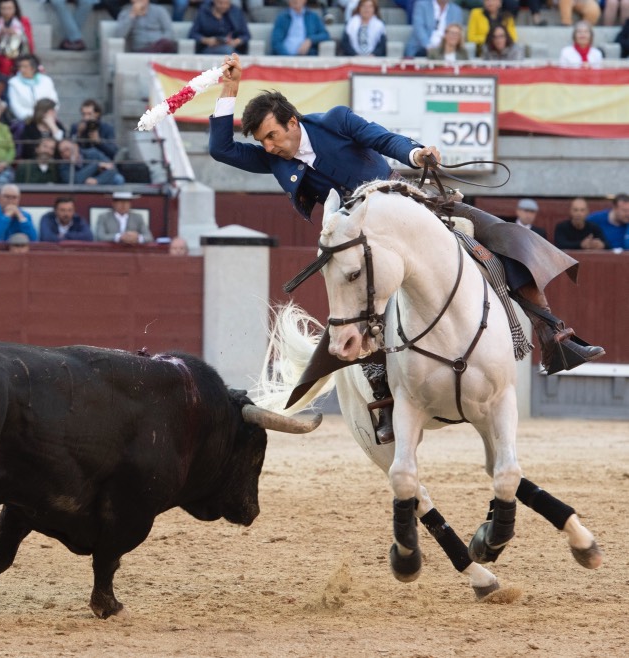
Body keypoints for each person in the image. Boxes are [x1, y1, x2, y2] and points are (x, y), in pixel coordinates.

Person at [209, 53, 603, 441]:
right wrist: (230, 88)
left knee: (502, 235)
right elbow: (221, 150)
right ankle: (384, 398)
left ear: (292, 121)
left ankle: (553, 334)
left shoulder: (335, 121)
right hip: (357, 241)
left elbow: (381, 138)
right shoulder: (273, 160)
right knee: (357, 312)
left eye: (273, 136)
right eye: (263, 141)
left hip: (403, 207)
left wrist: (415, 153)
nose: (270, 147)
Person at [0, 0, 34, 76]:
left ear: (15, 9)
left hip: (18, 52)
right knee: (4, 62)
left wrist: (16, 34)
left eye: (9, 8)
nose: (6, 11)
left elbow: (29, 43)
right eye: (3, 8)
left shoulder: (23, 21)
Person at [7, 54, 58, 123]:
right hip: (25, 121)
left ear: (33, 68)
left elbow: (54, 101)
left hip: (47, 119)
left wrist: (46, 116)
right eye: (20, 67)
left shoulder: (46, 81)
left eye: (25, 67)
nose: (21, 69)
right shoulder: (13, 83)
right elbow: (15, 106)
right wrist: (31, 118)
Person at [57, 138, 126, 186]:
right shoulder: (63, 166)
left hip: (100, 184)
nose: (65, 154)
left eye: (67, 149)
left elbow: (112, 169)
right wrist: (96, 165)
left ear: (76, 146)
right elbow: (75, 180)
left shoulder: (93, 153)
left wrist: (97, 181)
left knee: (118, 178)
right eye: (62, 152)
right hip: (81, 191)